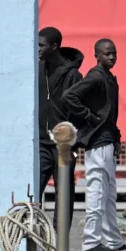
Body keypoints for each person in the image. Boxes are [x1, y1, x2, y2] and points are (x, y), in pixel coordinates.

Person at [62, 38, 126, 251]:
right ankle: (91, 242)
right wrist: (90, 119)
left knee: (109, 193)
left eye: (114, 53)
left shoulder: (109, 78)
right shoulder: (95, 76)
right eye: (107, 54)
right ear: (97, 56)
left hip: (108, 140)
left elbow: (110, 114)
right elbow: (69, 96)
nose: (112, 57)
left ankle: (112, 240)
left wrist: (116, 137)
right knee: (97, 190)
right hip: (98, 142)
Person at [38, 26, 83, 234]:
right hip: (40, 143)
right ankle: (34, 239)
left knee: (63, 194)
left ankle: (59, 243)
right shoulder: (37, 68)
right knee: (32, 190)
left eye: (41, 45)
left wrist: (75, 143)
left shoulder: (73, 75)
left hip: (63, 145)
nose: (37, 49)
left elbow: (81, 110)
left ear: (54, 46)